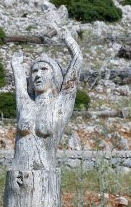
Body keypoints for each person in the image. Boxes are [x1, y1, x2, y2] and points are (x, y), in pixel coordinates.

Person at [10, 23, 82, 170]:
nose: (38, 75)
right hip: (17, 178)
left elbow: (77, 60)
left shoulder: (61, 103)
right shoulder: (25, 102)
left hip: (45, 178)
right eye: (34, 71)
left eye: (44, 69)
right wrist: (16, 63)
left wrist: (67, 38)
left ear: (54, 74)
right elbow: (19, 78)